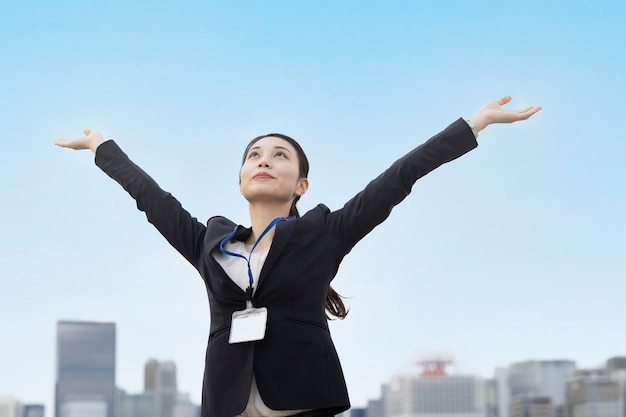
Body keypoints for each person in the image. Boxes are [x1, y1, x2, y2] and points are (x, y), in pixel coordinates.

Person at [55, 96, 541, 417]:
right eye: (254, 154)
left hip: (304, 401)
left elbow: (399, 178)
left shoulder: (325, 233)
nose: (264, 159)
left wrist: (475, 124)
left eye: (280, 155)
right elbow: (152, 199)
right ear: (241, 177)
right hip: (228, 405)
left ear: (302, 185)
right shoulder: (210, 244)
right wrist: (101, 145)